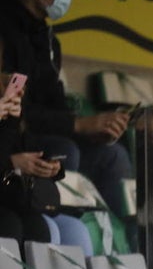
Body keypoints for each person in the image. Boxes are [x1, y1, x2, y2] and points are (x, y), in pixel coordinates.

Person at [0, 0, 133, 217]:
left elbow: (57, 106)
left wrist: (88, 132)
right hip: (16, 141)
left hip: (41, 137)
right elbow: (18, 110)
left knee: (113, 155)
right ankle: (49, 214)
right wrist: (77, 125)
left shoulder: (49, 40)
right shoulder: (5, 28)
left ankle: (121, 242)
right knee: (65, 151)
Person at [0, 71, 92, 253]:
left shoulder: (10, 115)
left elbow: (28, 148)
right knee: (14, 226)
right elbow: (10, 160)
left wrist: (51, 167)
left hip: (17, 197)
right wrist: (13, 163)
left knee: (74, 230)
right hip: (7, 201)